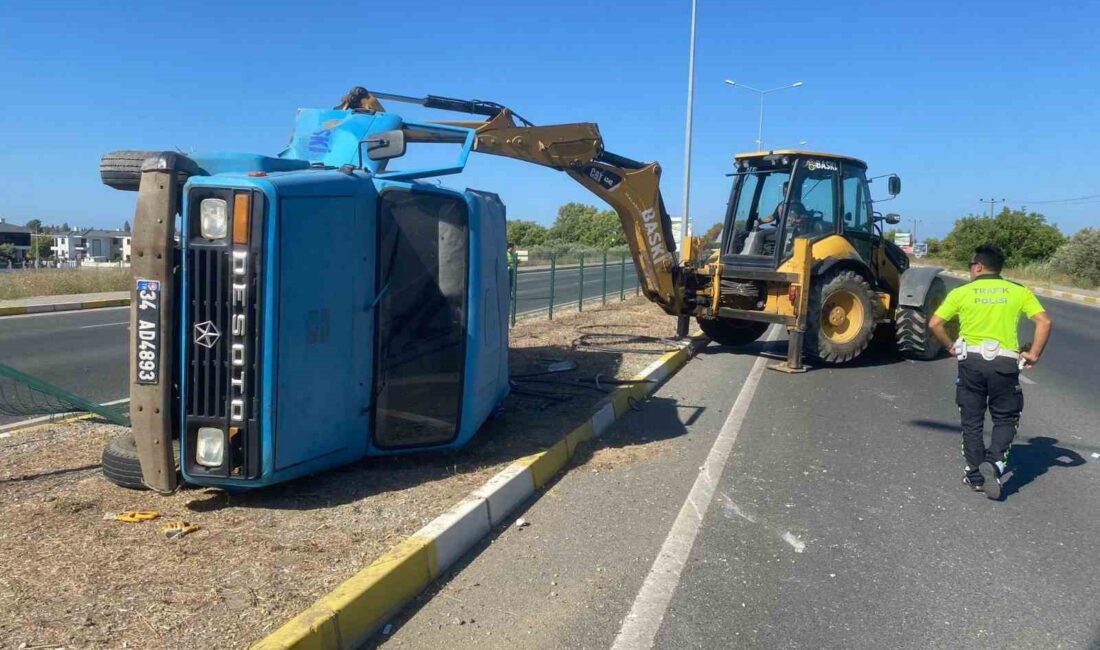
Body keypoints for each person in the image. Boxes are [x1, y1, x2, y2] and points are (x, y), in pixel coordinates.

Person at [929, 244, 1052, 500]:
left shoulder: (962, 292)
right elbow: (1044, 321)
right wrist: (1034, 354)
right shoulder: (1018, 291)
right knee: (1006, 417)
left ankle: (974, 476)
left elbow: (935, 323)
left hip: (970, 362)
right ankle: (995, 463)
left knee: (971, 421)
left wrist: (950, 346)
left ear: (978, 266)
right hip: (1004, 364)